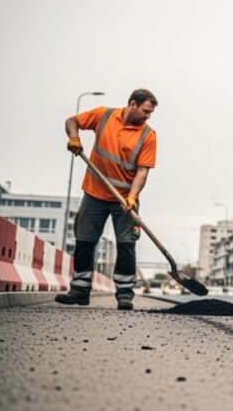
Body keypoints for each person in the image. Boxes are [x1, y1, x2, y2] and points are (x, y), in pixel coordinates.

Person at [55, 89, 158, 310]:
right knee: (84, 241)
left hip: (125, 199)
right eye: (146, 111)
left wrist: (132, 197)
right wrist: (74, 137)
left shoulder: (148, 135)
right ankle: (80, 290)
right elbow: (72, 121)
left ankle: (125, 294)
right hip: (94, 192)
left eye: (150, 113)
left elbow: (142, 171)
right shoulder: (104, 116)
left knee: (126, 244)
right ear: (132, 104)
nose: (148, 116)